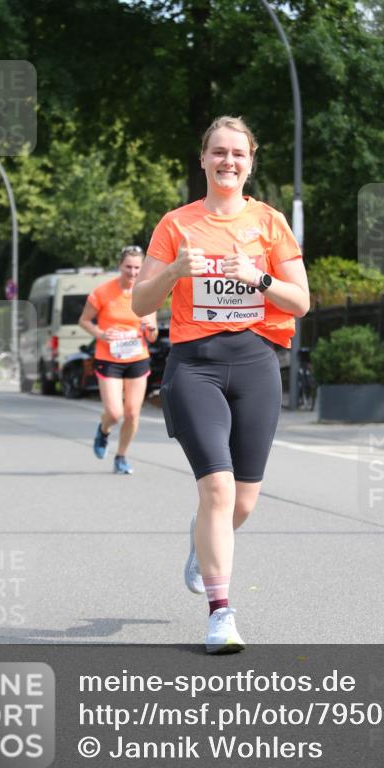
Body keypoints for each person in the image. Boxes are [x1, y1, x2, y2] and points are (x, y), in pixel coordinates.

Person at [133, 116, 309, 654]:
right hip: (196, 365)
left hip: (256, 362)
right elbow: (141, 303)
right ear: (203, 159)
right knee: (217, 487)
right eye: (218, 152)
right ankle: (220, 613)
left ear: (250, 162)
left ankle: (199, 539)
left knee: (244, 503)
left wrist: (255, 277)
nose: (228, 161)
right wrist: (173, 273)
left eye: (238, 153)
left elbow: (300, 302)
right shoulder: (175, 224)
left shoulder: (270, 223)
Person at [79, 246, 158, 474]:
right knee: (115, 413)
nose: (133, 273)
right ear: (119, 266)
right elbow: (84, 320)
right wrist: (101, 334)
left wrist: (150, 328)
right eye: (128, 267)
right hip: (109, 357)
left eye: (137, 268)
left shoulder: (146, 293)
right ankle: (103, 430)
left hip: (137, 358)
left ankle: (121, 456)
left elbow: (152, 337)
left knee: (133, 413)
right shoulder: (103, 292)